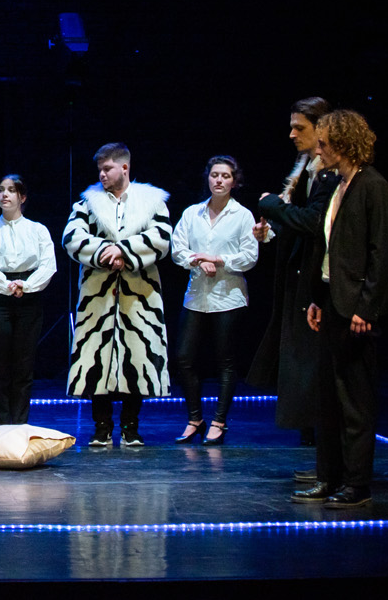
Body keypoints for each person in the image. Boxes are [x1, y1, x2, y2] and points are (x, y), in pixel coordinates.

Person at [289, 110, 388, 508]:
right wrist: (317, 299)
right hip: (333, 303)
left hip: (358, 310)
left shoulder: (373, 186)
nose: (318, 151)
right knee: (329, 399)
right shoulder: (336, 185)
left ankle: (357, 484)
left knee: (355, 400)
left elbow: (380, 254)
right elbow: (329, 251)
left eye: (323, 144)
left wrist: (366, 308)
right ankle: (328, 477)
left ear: (343, 143)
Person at [63, 143, 172, 447]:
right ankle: (101, 426)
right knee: (97, 358)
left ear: (124, 167)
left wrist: (124, 251)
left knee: (136, 357)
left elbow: (162, 238)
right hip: (98, 295)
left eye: (107, 168)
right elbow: (72, 237)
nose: (102, 174)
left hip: (139, 294)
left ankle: (130, 426)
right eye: (100, 169)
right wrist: (105, 253)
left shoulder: (151, 202)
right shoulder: (88, 203)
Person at [248, 97, 337, 453]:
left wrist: (271, 204)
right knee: (298, 358)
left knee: (310, 359)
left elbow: (313, 222)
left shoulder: (329, 174)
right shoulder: (305, 170)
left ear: (321, 128)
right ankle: (309, 435)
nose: (292, 134)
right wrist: (272, 232)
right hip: (298, 276)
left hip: (318, 278)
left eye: (300, 127)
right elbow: (298, 223)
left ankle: (319, 443)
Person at [170, 156, 258, 445]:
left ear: (234, 181)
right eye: (215, 175)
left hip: (228, 297)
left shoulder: (242, 215)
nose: (219, 180)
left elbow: (250, 256)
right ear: (208, 178)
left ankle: (219, 421)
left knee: (225, 360)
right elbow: (177, 249)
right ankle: (195, 419)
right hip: (196, 294)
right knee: (184, 357)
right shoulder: (192, 213)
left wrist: (218, 259)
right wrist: (198, 260)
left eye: (226, 176)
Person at [0, 174, 57, 424]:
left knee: (24, 363)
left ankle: (19, 423)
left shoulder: (37, 230)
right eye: (1, 190)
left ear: (22, 197)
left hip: (29, 297)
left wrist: (26, 285)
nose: (4, 195)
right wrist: (6, 285)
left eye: (10, 190)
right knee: (1, 364)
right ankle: (3, 424)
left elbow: (48, 265)